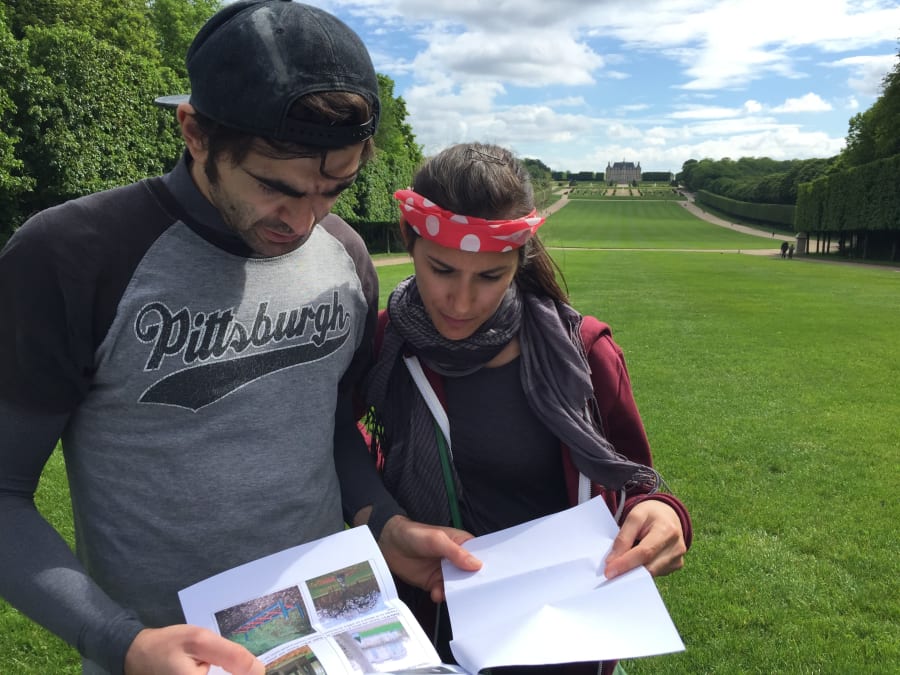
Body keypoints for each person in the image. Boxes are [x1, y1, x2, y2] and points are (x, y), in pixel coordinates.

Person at [0, 3, 475, 674]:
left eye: (333, 189)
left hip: (328, 645)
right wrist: (122, 640)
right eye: (276, 188)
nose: (305, 219)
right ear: (194, 132)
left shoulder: (347, 260)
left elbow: (331, 431)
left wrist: (384, 522)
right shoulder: (74, 255)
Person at [363, 143, 693, 675]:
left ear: (520, 259)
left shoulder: (583, 351)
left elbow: (636, 485)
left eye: (489, 276)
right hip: (432, 630)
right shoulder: (388, 342)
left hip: (563, 640)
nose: (461, 302)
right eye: (441, 269)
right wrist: (384, 519)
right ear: (409, 241)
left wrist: (664, 516)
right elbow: (335, 441)